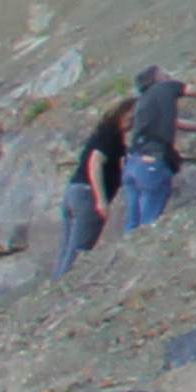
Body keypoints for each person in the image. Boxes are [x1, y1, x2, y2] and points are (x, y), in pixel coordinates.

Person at [59, 98, 128, 275]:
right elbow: (95, 162)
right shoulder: (111, 136)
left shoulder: (102, 133)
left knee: (67, 249)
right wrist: (101, 200)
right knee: (78, 253)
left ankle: (54, 287)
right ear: (122, 116)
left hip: (74, 190)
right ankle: (64, 290)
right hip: (87, 196)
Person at [123, 63, 191, 230]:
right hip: (151, 163)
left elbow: (177, 123)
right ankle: (140, 251)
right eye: (166, 75)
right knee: (147, 223)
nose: (169, 77)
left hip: (132, 164)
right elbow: (193, 90)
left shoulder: (143, 103)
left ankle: (125, 252)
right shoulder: (164, 88)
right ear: (159, 78)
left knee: (133, 222)